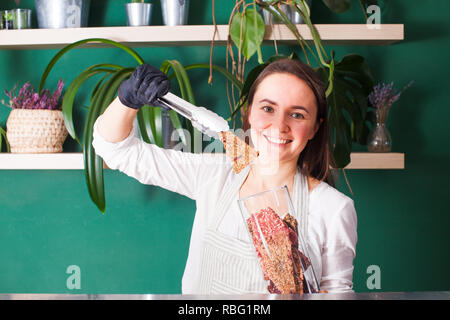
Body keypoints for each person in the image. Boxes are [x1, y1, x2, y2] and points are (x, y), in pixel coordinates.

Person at [92, 59, 357, 294]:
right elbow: (115, 150)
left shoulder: (333, 208)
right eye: (268, 108)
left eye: (297, 114)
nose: (279, 125)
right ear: (249, 112)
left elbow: (338, 293)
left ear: (314, 128)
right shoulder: (212, 176)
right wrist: (128, 100)